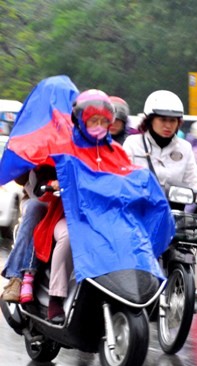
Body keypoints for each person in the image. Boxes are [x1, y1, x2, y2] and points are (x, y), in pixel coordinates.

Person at [33, 90, 138, 323]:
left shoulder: (118, 152)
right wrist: (53, 183)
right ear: (80, 120)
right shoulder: (64, 147)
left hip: (106, 220)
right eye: (93, 120)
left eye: (103, 121)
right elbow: (42, 180)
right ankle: (56, 298)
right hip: (70, 218)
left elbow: (131, 179)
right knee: (70, 237)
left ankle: (132, 294)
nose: (99, 126)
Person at [122, 90, 197, 201]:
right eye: (163, 120)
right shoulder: (132, 143)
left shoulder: (185, 147)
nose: (168, 125)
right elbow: (123, 180)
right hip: (139, 210)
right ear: (150, 120)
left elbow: (194, 185)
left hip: (173, 213)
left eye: (173, 120)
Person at [0, 170, 48, 304]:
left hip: (66, 207)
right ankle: (16, 277)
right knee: (34, 207)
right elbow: (19, 178)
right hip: (36, 200)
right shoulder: (39, 154)